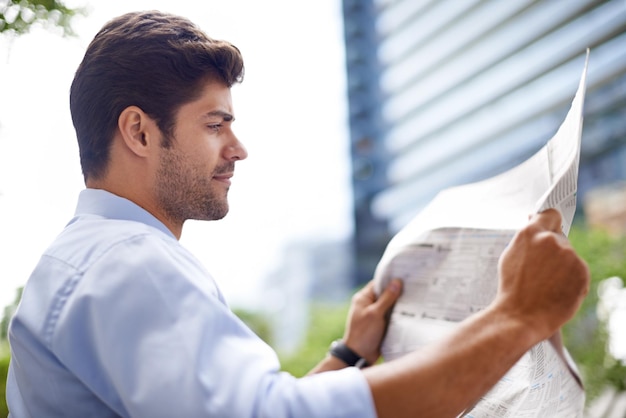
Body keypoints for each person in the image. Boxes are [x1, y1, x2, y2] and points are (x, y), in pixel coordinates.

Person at [6, 10, 590, 418]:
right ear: (138, 130)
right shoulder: (126, 261)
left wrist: (350, 354)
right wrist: (519, 317)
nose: (238, 148)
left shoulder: (93, 258)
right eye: (215, 124)